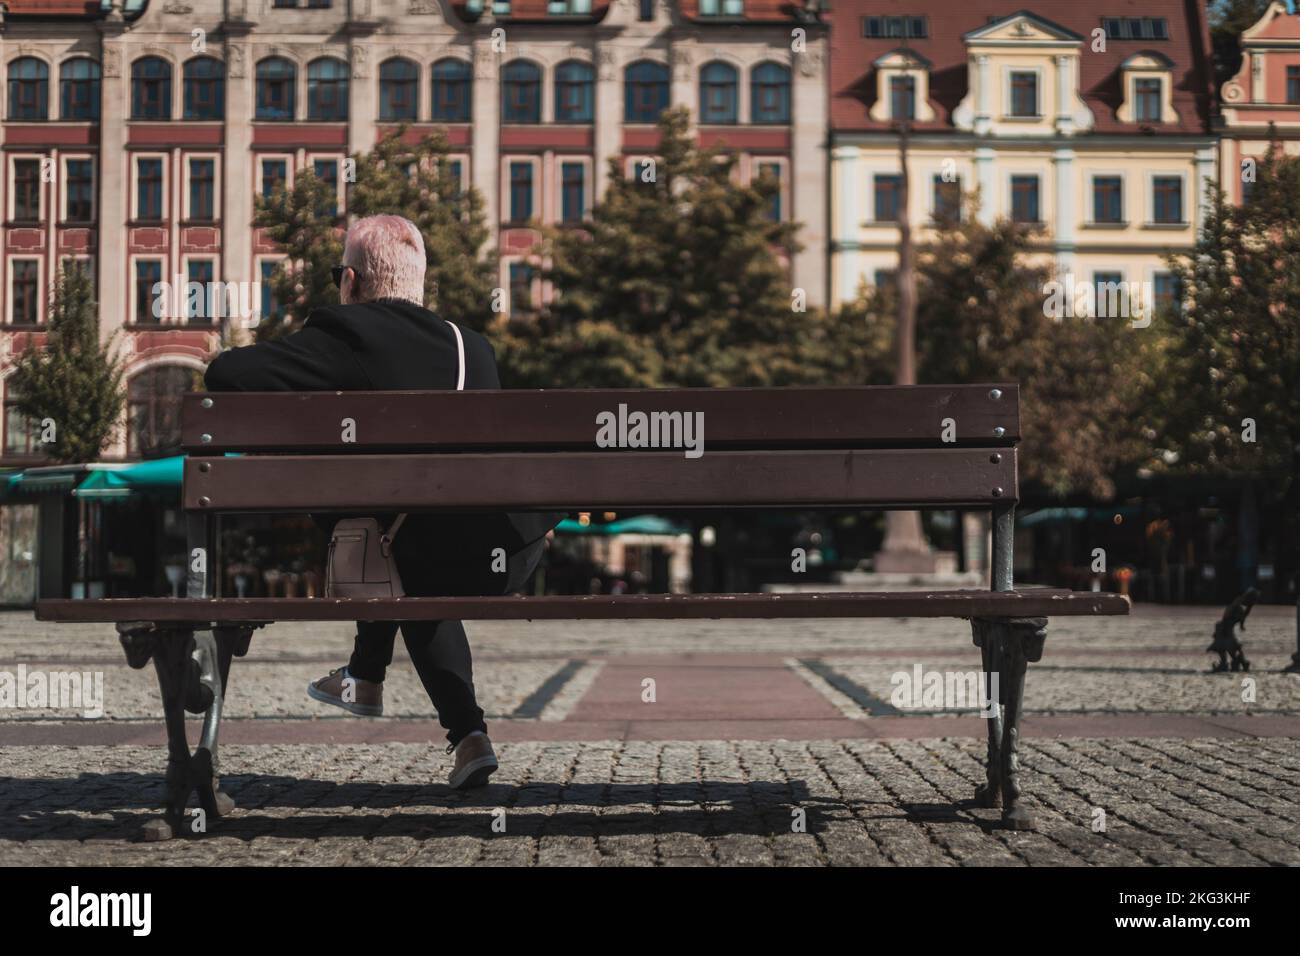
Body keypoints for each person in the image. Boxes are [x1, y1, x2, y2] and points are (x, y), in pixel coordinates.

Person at [204, 214, 560, 789]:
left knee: (399, 545)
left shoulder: (344, 337)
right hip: (510, 549)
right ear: (420, 283)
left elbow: (226, 373)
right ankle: (455, 730)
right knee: (417, 545)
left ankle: (372, 677)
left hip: (409, 560)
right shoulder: (474, 346)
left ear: (349, 282)